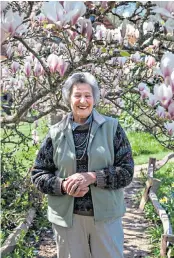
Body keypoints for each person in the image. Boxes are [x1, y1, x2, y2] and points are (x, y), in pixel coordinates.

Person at [31, 72, 134, 258]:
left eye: (87, 95)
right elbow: (38, 174)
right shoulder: (55, 133)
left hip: (105, 219)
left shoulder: (112, 128)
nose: (83, 101)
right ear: (69, 99)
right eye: (77, 95)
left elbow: (127, 171)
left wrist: (94, 176)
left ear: (94, 98)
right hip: (68, 221)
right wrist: (62, 185)